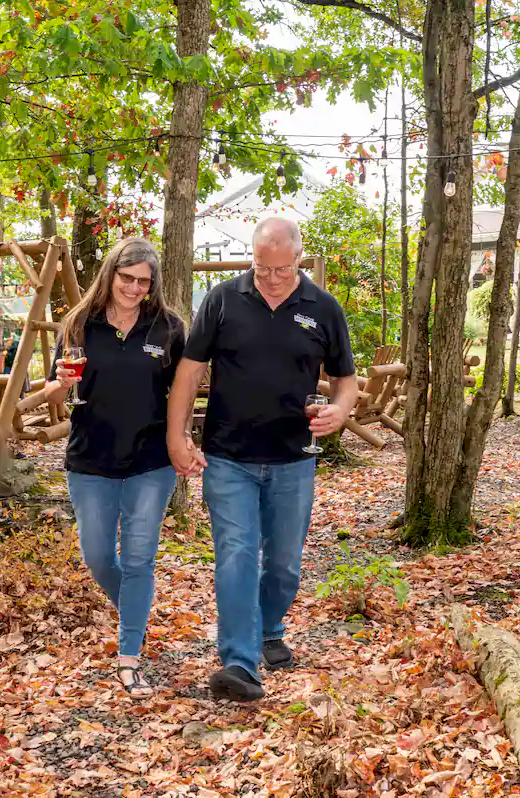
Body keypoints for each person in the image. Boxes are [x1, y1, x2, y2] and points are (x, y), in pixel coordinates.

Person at [166, 218, 358, 702]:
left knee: (285, 565)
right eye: (261, 268)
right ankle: (239, 661)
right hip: (229, 457)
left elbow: (345, 380)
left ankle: (269, 628)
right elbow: (189, 372)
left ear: (298, 258)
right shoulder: (223, 300)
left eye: (281, 269)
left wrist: (340, 410)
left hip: (294, 459)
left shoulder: (323, 308)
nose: (270, 278)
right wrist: (178, 436)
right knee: (236, 554)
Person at [44, 237, 184, 699]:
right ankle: (136, 614)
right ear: (110, 275)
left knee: (141, 558)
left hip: (150, 460)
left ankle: (129, 659)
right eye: (128, 278)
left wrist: (183, 440)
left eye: (144, 282)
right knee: (99, 556)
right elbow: (50, 394)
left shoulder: (167, 328)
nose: (135, 288)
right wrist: (59, 385)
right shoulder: (78, 325)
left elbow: (184, 392)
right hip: (90, 458)